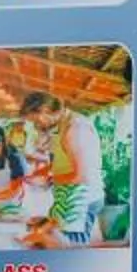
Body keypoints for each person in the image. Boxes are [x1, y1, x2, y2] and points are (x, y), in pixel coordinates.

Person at [20, 92, 106, 243]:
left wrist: (49, 180)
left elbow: (81, 175)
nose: (36, 126)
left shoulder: (75, 128)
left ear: (45, 110)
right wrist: (40, 173)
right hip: (69, 196)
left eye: (36, 120)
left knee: (70, 246)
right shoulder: (62, 125)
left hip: (81, 198)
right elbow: (63, 161)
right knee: (51, 237)